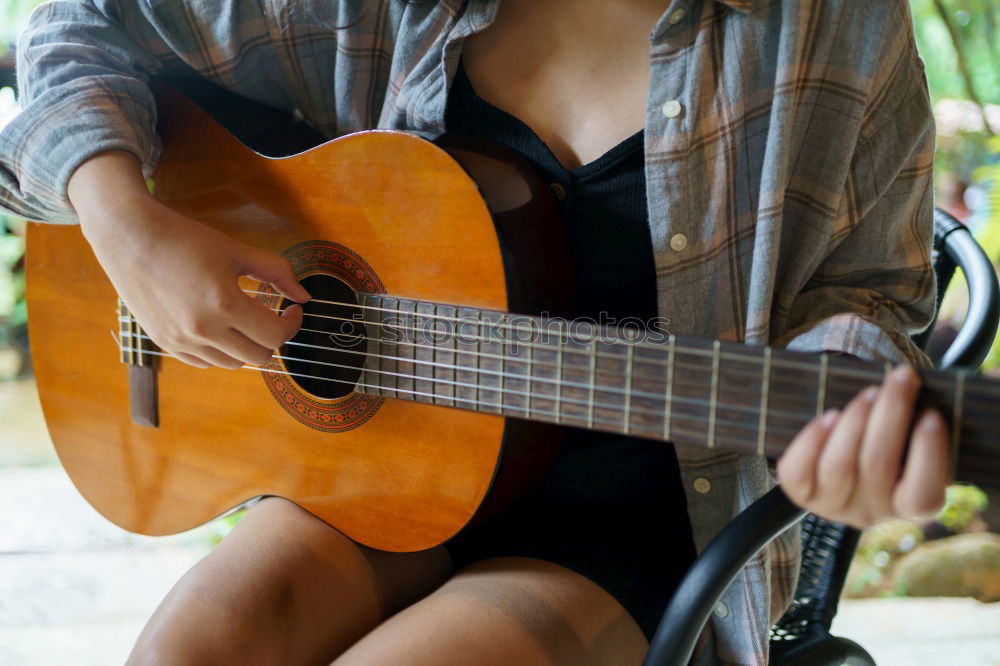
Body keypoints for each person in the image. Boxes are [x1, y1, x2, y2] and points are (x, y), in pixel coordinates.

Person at [0, 1, 949, 664]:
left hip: (628, 521)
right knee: (184, 654)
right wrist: (128, 228)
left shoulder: (837, 22)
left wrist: (845, 407)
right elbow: (75, 26)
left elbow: (869, 296)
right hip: (391, 474)